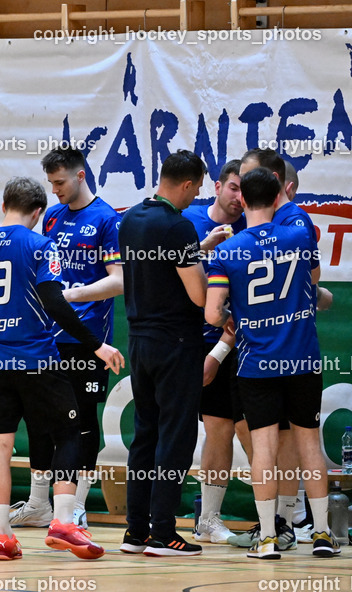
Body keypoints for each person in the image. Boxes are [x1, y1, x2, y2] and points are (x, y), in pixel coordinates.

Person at [0, 176, 123, 560]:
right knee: (70, 431)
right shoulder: (41, 245)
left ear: (4, 205)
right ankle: (63, 522)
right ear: (39, 212)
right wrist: (97, 344)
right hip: (38, 360)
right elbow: (56, 303)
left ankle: (3, 537)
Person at [205, 167, 339, 559]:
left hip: (256, 363)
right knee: (308, 443)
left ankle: (266, 538)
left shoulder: (227, 250)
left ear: (243, 200)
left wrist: (234, 312)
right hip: (301, 359)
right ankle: (322, 534)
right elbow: (313, 281)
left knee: (262, 447)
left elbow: (213, 314)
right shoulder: (299, 234)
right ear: (280, 195)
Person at [8, 145, 122, 530]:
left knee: (83, 422)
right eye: (51, 183)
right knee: (41, 419)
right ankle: (40, 503)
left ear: (80, 176)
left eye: (59, 182)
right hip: (47, 337)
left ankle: (74, 506)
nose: (54, 190)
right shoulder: (53, 217)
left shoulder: (107, 219)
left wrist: (69, 295)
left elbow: (118, 281)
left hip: (86, 337)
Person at [117, 150, 222, 557]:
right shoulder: (177, 228)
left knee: (145, 437)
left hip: (139, 340)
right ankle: (164, 532)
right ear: (185, 183)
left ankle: (136, 531)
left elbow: (158, 268)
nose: (195, 196)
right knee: (175, 438)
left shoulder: (130, 219)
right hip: (176, 343)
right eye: (195, 188)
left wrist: (200, 248)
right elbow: (198, 295)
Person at [180, 159, 250, 544]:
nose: (239, 198)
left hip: (233, 346)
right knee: (187, 431)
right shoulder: (187, 222)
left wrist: (223, 348)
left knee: (233, 430)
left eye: (245, 191)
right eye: (234, 188)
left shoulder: (251, 231)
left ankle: (212, 517)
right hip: (185, 344)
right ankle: (161, 520)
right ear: (218, 186)